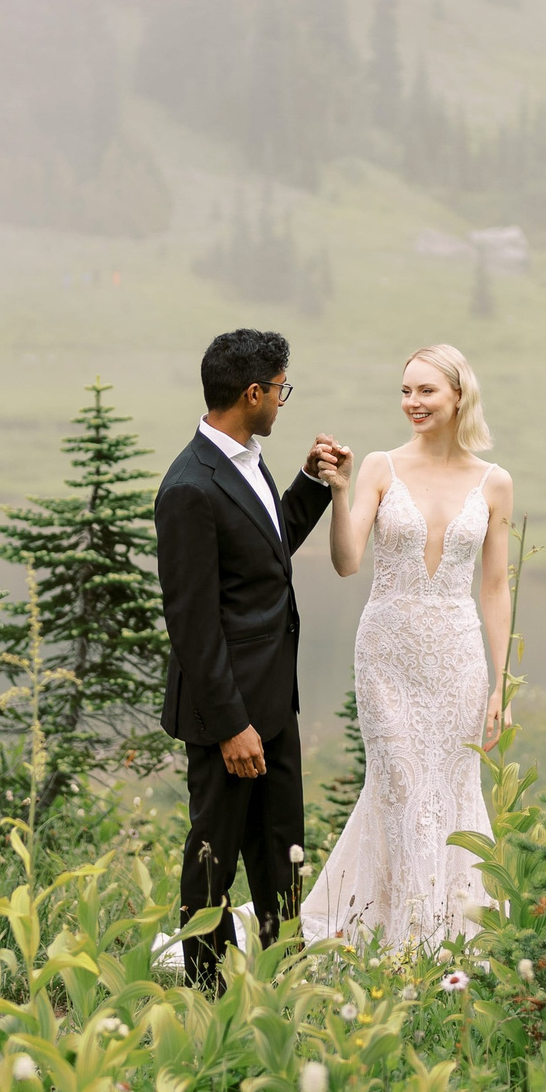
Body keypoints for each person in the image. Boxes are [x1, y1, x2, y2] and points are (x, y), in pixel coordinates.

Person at [300, 343, 514, 948]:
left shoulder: (494, 483)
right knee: (398, 783)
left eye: (426, 391)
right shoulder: (379, 467)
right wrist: (339, 491)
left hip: (458, 657)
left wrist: (500, 684)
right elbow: (346, 563)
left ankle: (452, 937)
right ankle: (404, 938)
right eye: (405, 391)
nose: (412, 403)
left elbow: (495, 588)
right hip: (388, 655)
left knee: (451, 787)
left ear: (458, 396)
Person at [157, 328, 349, 991]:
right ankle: (206, 993)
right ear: (252, 392)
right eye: (279, 389)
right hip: (227, 714)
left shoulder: (248, 459)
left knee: (281, 851)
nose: (281, 402)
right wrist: (232, 724)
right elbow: (192, 622)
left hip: (274, 702)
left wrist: (311, 483)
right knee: (213, 856)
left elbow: (267, 552)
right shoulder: (189, 486)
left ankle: (284, 978)